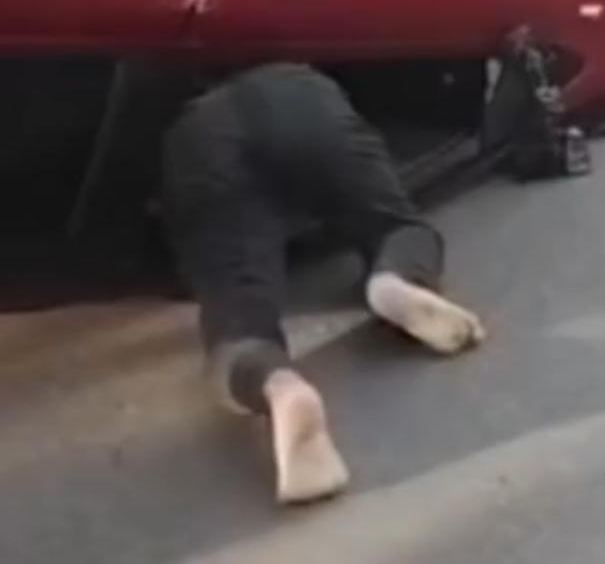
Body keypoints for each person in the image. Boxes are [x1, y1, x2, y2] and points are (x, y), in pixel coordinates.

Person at [161, 64, 485, 506]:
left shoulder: (184, 124)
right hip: (302, 93)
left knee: (237, 311)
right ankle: (394, 280)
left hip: (199, 139)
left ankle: (279, 387)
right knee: (396, 226)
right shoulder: (300, 71)